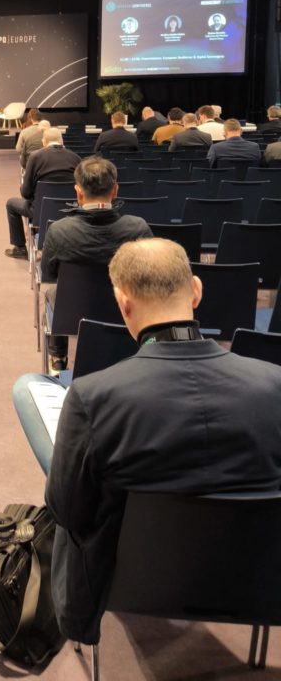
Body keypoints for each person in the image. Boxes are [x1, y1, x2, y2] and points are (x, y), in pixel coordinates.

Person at [15, 237, 281, 645]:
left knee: (30, 391)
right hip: (257, 581)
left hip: (124, 580)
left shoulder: (94, 396)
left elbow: (66, 510)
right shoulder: (274, 385)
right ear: (196, 292)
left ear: (123, 304)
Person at [39, 157, 151, 374]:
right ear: (115, 190)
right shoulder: (138, 228)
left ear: (78, 193)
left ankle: (59, 358)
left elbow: (49, 273)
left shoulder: (59, 230)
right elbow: (149, 273)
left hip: (75, 311)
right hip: (127, 309)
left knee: (54, 292)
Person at [4, 128, 80, 259]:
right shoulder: (76, 158)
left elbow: (26, 193)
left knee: (11, 204)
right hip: (71, 211)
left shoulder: (35, 157)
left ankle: (20, 248)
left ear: (43, 142)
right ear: (62, 140)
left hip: (39, 212)